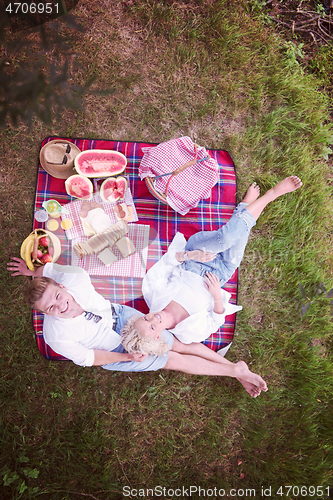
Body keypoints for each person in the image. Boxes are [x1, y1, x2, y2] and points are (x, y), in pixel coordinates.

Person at [7, 176, 302, 398]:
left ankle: (236, 369)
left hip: (120, 316)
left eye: (57, 296)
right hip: (114, 350)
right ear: (45, 313)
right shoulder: (56, 335)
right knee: (172, 359)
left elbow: (52, 270)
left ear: (62, 286)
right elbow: (92, 359)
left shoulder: (72, 277)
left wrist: (31, 271)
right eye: (50, 308)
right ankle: (233, 370)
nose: (60, 306)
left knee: (180, 344)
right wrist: (128, 356)